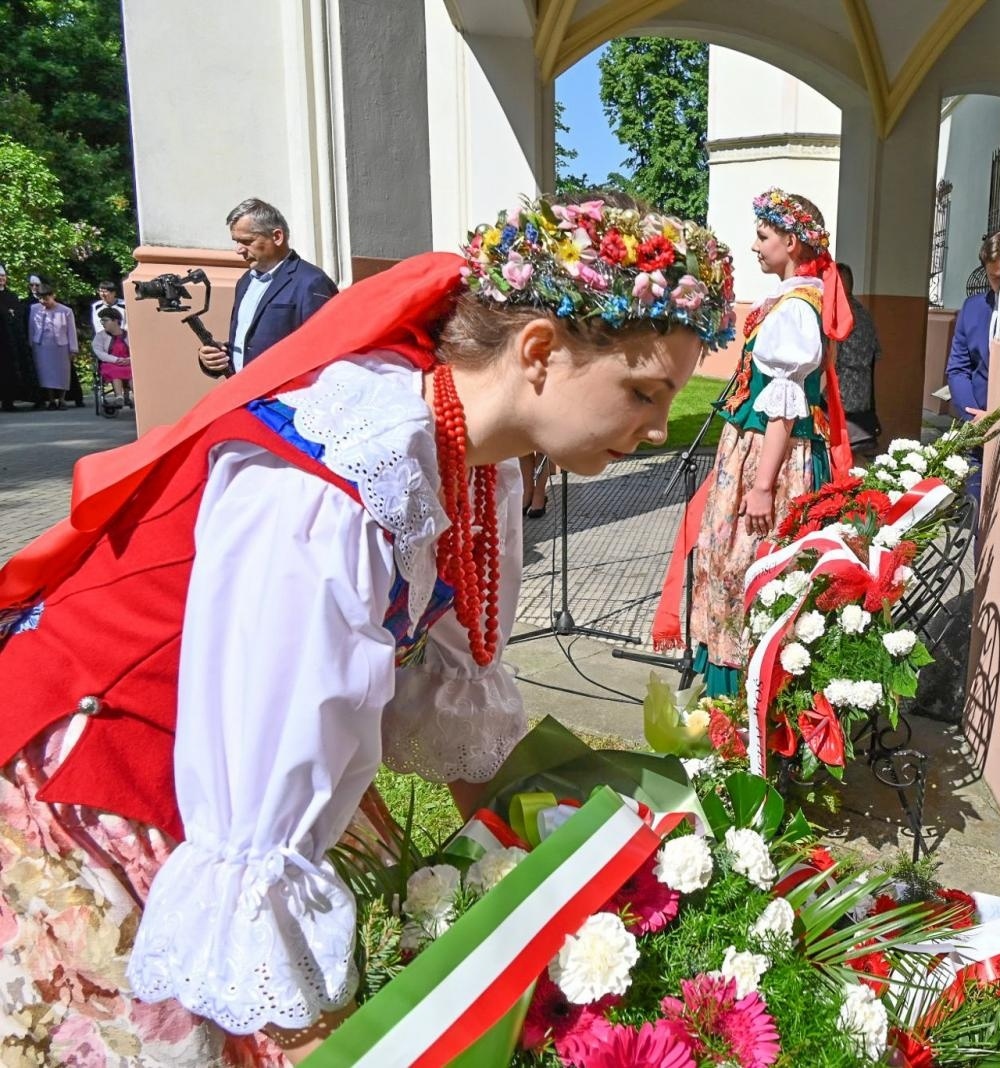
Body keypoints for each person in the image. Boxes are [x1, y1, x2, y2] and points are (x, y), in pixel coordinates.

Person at [0, 191, 736, 1064]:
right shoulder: (341, 470)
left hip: (266, 776)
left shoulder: (473, 458)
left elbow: (451, 691)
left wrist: (556, 863)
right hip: (137, 774)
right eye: (643, 392)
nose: (657, 429)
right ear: (538, 351)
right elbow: (268, 758)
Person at [661, 187, 853, 698]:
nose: (754, 245)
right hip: (754, 451)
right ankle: (730, 694)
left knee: (745, 566)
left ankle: (740, 696)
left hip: (769, 456)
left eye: (763, 236)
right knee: (730, 561)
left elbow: (784, 410)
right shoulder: (794, 301)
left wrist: (763, 486)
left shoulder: (795, 310)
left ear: (792, 242)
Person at [198, 198, 339, 378]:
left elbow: (325, 352)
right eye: (236, 241)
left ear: (277, 237)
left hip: (284, 393)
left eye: (247, 241)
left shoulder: (311, 282)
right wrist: (215, 359)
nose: (238, 250)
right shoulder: (245, 281)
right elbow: (249, 346)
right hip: (244, 390)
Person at [945, 228, 1000, 505]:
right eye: (994, 278)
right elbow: (958, 368)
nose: (999, 285)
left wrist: (997, 417)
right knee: (977, 508)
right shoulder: (973, 308)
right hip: (976, 431)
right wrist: (974, 419)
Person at [835, 262, 883, 462]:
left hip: (842, 392)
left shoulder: (841, 314)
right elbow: (877, 352)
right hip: (863, 391)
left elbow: (830, 357)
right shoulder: (864, 313)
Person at [27, 282, 78, 410]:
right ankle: (51, 400)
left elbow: (71, 331)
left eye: (46, 298)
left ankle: (61, 399)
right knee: (45, 374)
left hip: (61, 347)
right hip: (41, 346)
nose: (43, 301)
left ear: (53, 296)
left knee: (62, 373)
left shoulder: (66, 311)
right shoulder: (34, 309)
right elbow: (31, 328)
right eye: (40, 298)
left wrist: (73, 349)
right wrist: (30, 344)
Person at [0, 266, 37, 411]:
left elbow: (19, 313)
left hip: (11, 340)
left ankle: (8, 401)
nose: (1, 278)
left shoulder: (12, 295)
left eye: (3, 275)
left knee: (10, 371)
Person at [93, 306, 133, 413]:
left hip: (128, 362)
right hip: (110, 362)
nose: (102, 323)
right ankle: (119, 397)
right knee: (114, 370)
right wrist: (116, 360)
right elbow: (99, 352)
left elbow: (137, 350)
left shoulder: (129, 335)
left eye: (105, 320)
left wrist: (129, 359)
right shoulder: (100, 336)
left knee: (133, 371)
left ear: (115, 320)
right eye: (102, 321)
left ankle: (136, 396)